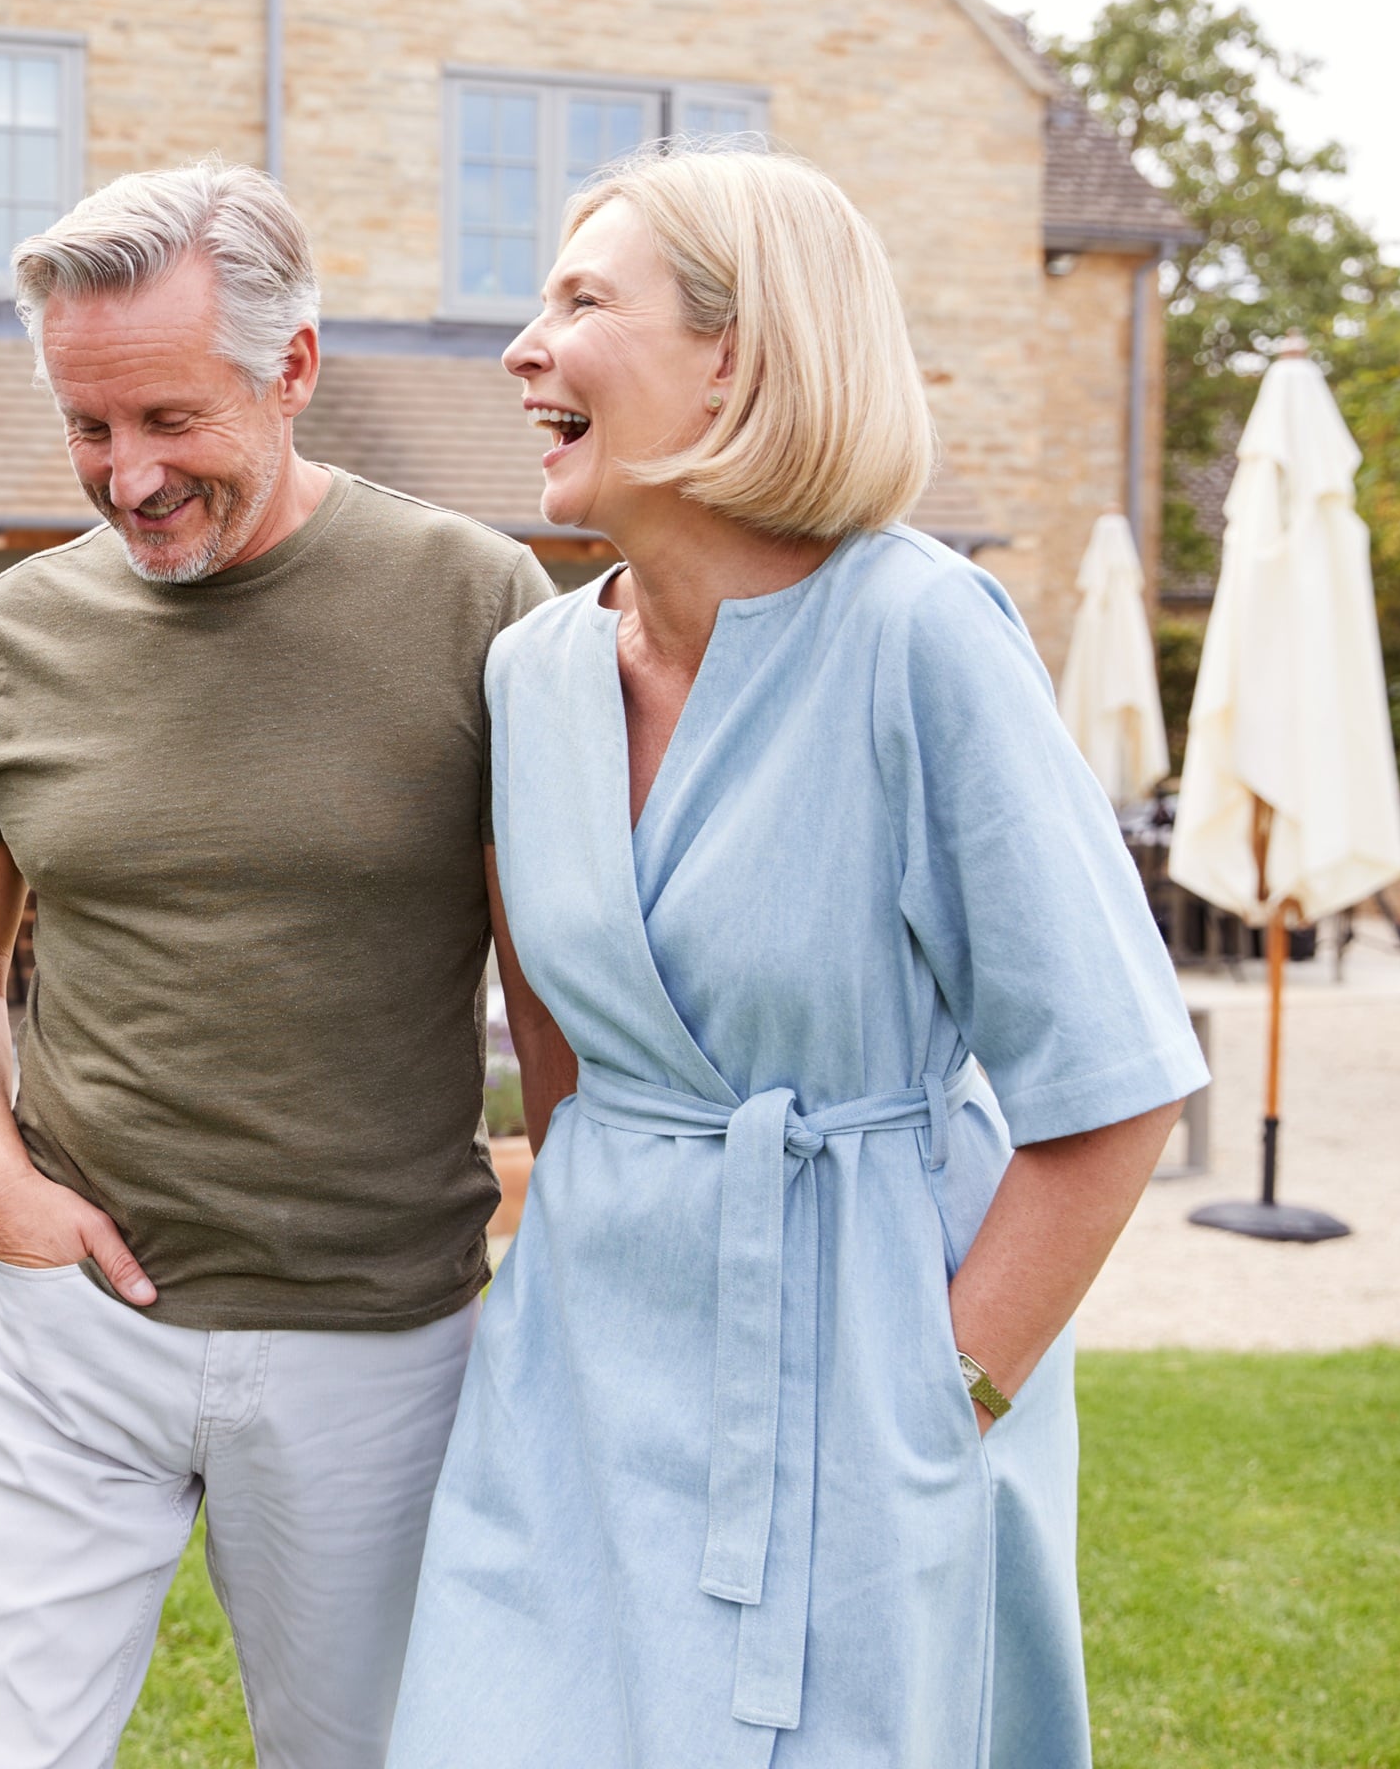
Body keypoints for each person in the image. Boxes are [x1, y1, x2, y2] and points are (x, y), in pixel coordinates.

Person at [386, 147, 1206, 1768]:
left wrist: (938, 1399)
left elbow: (1110, 1090)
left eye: (579, 302)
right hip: (574, 1378)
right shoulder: (533, 678)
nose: (520, 346)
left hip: (864, 1376)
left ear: (737, 357)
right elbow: (563, 1050)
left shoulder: (923, 633)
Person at [0, 161, 554, 1769]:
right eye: (89, 429)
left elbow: (556, 1003)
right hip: (68, 1329)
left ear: (295, 370)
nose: (127, 478)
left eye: (171, 421)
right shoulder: (21, 627)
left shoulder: (480, 606)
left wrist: (568, 1231)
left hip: (377, 1345)